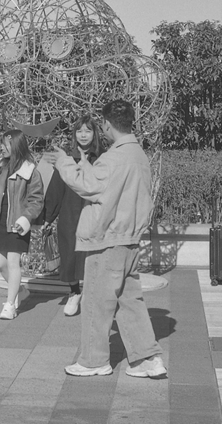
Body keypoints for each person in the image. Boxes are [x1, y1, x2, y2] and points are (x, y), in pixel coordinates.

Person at [53, 99, 166, 378]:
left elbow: (87, 185)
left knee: (95, 301)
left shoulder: (113, 157)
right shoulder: (138, 155)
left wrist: (64, 162)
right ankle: (147, 359)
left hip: (107, 238)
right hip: (129, 238)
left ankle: (94, 360)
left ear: (105, 124)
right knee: (130, 302)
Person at [43, 114, 105, 316]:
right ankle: (74, 292)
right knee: (69, 253)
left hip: (93, 213)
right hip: (69, 213)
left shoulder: (103, 158)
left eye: (88, 130)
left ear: (95, 133)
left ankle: (93, 294)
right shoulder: (67, 159)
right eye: (79, 131)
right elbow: (56, 189)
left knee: (93, 257)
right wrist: (47, 217)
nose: (83, 135)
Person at [0, 129, 44, 320]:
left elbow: (36, 200)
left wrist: (26, 218)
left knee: (13, 262)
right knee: (1, 264)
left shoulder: (30, 170)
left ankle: (10, 305)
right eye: (2, 144)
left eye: (5, 144)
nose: (2, 147)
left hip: (18, 222)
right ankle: (19, 291)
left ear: (15, 145)